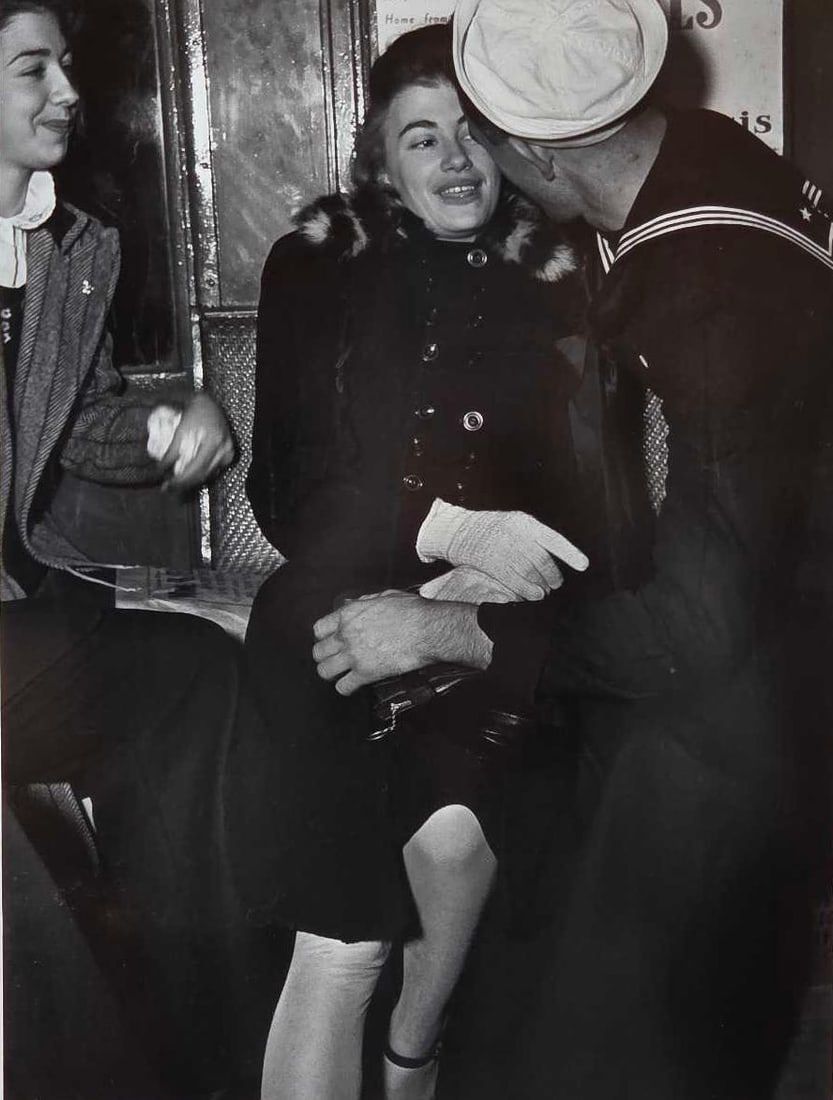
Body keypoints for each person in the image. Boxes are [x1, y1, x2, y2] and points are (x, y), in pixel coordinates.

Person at [310, 1, 833, 1097]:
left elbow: (696, 627)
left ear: (540, 150)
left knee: (613, 1045)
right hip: (720, 630)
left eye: (481, 137)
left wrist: (441, 624)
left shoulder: (713, 295)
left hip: (766, 692)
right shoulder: (683, 160)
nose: (470, 162)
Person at [241, 23, 601, 1100]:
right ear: (378, 160)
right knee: (344, 939)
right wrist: (445, 530)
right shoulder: (320, 259)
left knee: (455, 844)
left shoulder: (558, 265)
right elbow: (286, 487)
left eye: (471, 133)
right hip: (330, 603)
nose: (452, 161)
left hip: (493, 606)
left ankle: (412, 1056)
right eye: (419, 138)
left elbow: (591, 493)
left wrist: (508, 577)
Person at [0, 1, 266, 1094]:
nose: (69, 92)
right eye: (33, 70)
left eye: (63, 65)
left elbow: (76, 413)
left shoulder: (62, 243)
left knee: (193, 679)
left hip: (22, 616)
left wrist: (171, 422)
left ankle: (200, 1054)